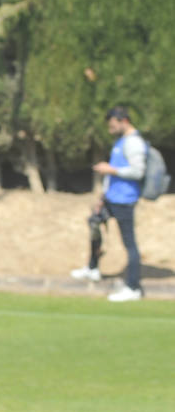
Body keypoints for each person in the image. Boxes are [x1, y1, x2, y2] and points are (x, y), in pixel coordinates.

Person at [70, 106, 145, 302]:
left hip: (125, 200)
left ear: (124, 121)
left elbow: (138, 171)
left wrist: (110, 170)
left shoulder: (134, 143)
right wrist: (102, 197)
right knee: (94, 223)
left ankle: (133, 287)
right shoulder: (120, 142)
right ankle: (93, 268)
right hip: (112, 198)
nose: (110, 128)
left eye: (112, 124)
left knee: (130, 243)